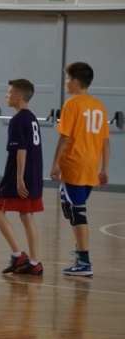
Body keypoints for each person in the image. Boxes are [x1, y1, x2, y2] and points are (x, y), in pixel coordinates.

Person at [50, 62, 110, 277]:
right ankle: (80, 255)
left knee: (76, 213)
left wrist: (54, 164)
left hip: (74, 164)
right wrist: (104, 169)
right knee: (74, 209)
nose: (66, 83)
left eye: (68, 79)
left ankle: (84, 261)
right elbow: (105, 142)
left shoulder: (72, 104)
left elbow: (64, 137)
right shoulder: (99, 106)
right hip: (91, 166)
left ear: (75, 82)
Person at [0, 79, 44, 275]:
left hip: (19, 174)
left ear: (19, 96)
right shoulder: (32, 118)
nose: (6, 95)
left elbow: (21, 150)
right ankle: (35, 261)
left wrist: (19, 178)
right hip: (34, 172)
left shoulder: (18, 120)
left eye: (9, 92)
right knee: (26, 215)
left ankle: (17, 255)